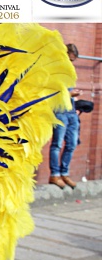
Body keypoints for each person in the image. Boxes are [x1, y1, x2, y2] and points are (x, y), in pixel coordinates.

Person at [49, 43, 80, 189]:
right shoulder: (56, 69)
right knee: (57, 144)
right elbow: (51, 92)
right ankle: (55, 174)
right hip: (60, 111)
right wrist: (69, 94)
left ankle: (64, 173)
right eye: (70, 59)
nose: (71, 63)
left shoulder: (69, 71)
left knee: (72, 143)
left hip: (71, 111)